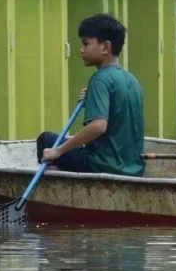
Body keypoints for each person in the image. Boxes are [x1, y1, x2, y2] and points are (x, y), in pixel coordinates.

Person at [37, 13, 146, 177]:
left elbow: (98, 126)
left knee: (46, 140)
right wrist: (92, 99)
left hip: (100, 165)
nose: (81, 50)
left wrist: (58, 151)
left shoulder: (100, 79)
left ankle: (59, 185)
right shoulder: (131, 80)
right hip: (133, 169)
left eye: (86, 44)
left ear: (105, 47)